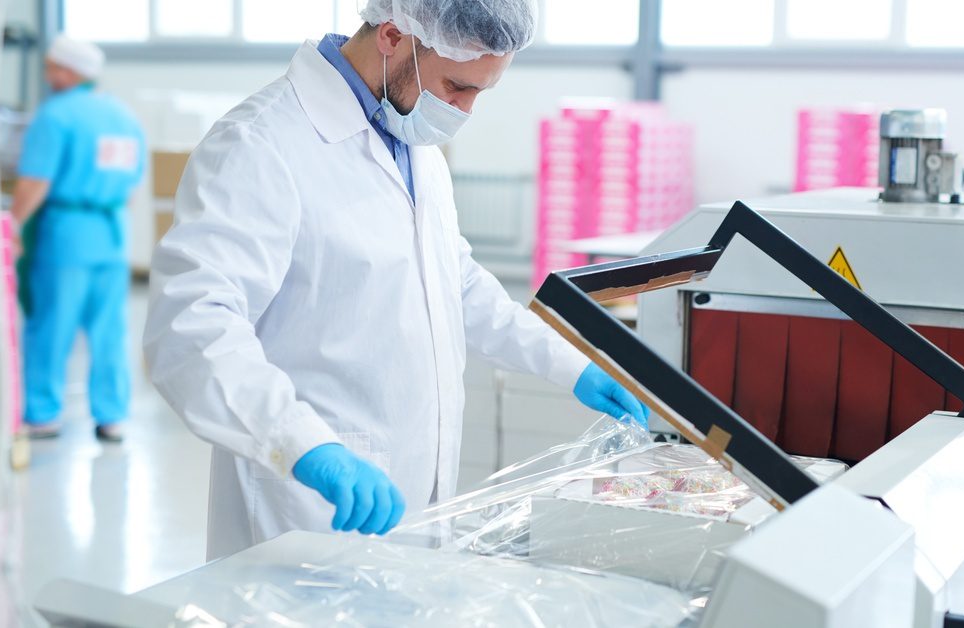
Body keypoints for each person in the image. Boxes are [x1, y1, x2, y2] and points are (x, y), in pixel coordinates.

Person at [143, 0, 649, 560]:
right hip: (308, 506)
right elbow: (191, 328)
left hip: (414, 496)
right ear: (391, 36)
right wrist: (307, 446)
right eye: (458, 85)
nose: (465, 109)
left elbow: (454, 283)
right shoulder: (260, 145)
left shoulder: (411, 139)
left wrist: (569, 365)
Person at [12, 35, 145, 443]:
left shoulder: (56, 116)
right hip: (110, 235)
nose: (47, 74)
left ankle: (44, 413)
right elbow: (132, 184)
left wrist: (12, 226)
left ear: (66, 72)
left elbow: (36, 180)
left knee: (52, 324)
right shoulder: (123, 117)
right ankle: (112, 416)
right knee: (108, 331)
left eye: (51, 67)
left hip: (66, 236)